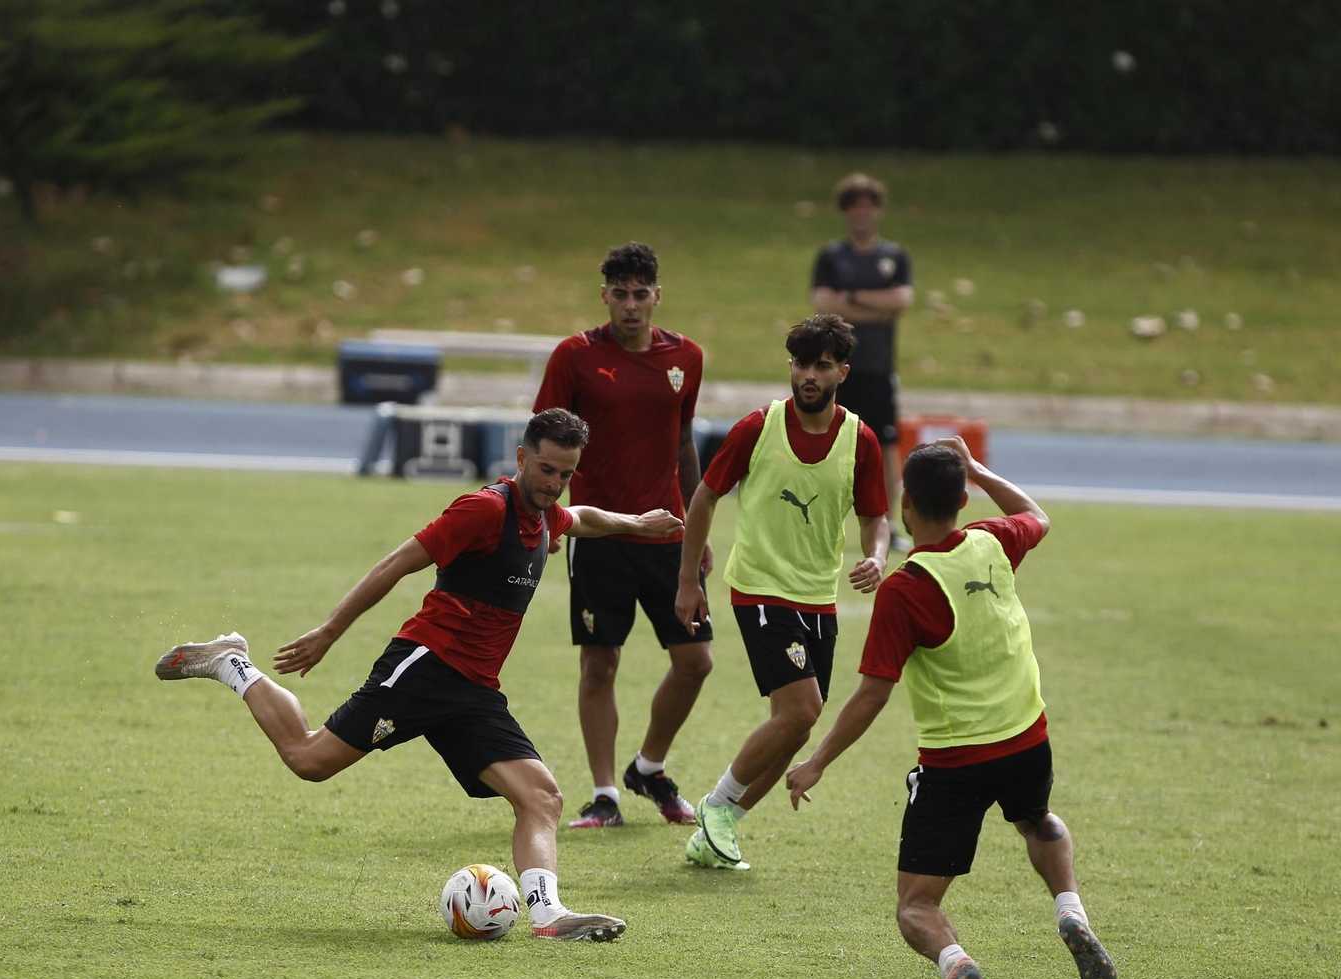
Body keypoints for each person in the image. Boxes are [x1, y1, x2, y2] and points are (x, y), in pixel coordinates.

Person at [154, 408, 683, 942]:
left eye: (566, 474)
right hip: (427, 666)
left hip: (475, 691)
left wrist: (637, 524)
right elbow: (396, 563)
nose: (554, 485)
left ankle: (547, 915)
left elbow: (583, 518)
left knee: (542, 796)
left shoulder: (547, 516)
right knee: (309, 760)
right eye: (546, 470)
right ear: (521, 458)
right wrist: (329, 632)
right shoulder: (482, 510)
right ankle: (229, 661)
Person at [785, 437, 1118, 979]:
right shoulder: (993, 542)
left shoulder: (906, 588)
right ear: (963, 498)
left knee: (915, 904)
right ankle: (1071, 913)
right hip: (1027, 741)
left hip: (956, 764)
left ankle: (956, 961)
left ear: (906, 504)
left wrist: (817, 761)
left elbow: (872, 693)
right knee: (1037, 820)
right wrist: (980, 467)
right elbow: (1038, 516)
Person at [674, 314, 889, 871]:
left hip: (818, 598)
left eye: (821, 365)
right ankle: (716, 807)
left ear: (841, 371)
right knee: (802, 709)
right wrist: (688, 580)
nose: (808, 375)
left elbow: (876, 517)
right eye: (800, 364)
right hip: (760, 589)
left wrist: (877, 555)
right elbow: (704, 498)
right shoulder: (757, 427)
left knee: (796, 725)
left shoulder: (858, 439)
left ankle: (715, 837)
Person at [533, 241, 712, 830]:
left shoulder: (686, 357)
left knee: (695, 662)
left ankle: (649, 767)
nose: (631, 305)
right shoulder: (575, 357)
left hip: (665, 532)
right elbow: (544, 446)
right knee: (600, 664)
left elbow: (683, 441)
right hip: (598, 533)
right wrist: (542, 515)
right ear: (604, 294)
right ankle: (606, 793)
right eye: (620, 294)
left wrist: (695, 523)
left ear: (657, 296)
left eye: (641, 295)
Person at [811, 172, 915, 555]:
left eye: (868, 205)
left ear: (879, 210)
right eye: (854, 206)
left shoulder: (894, 256)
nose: (862, 213)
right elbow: (823, 304)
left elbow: (901, 302)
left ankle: (889, 523)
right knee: (827, 435)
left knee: (886, 443)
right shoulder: (832, 256)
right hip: (834, 365)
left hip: (878, 366)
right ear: (845, 212)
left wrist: (851, 297)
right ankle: (821, 518)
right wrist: (877, 303)